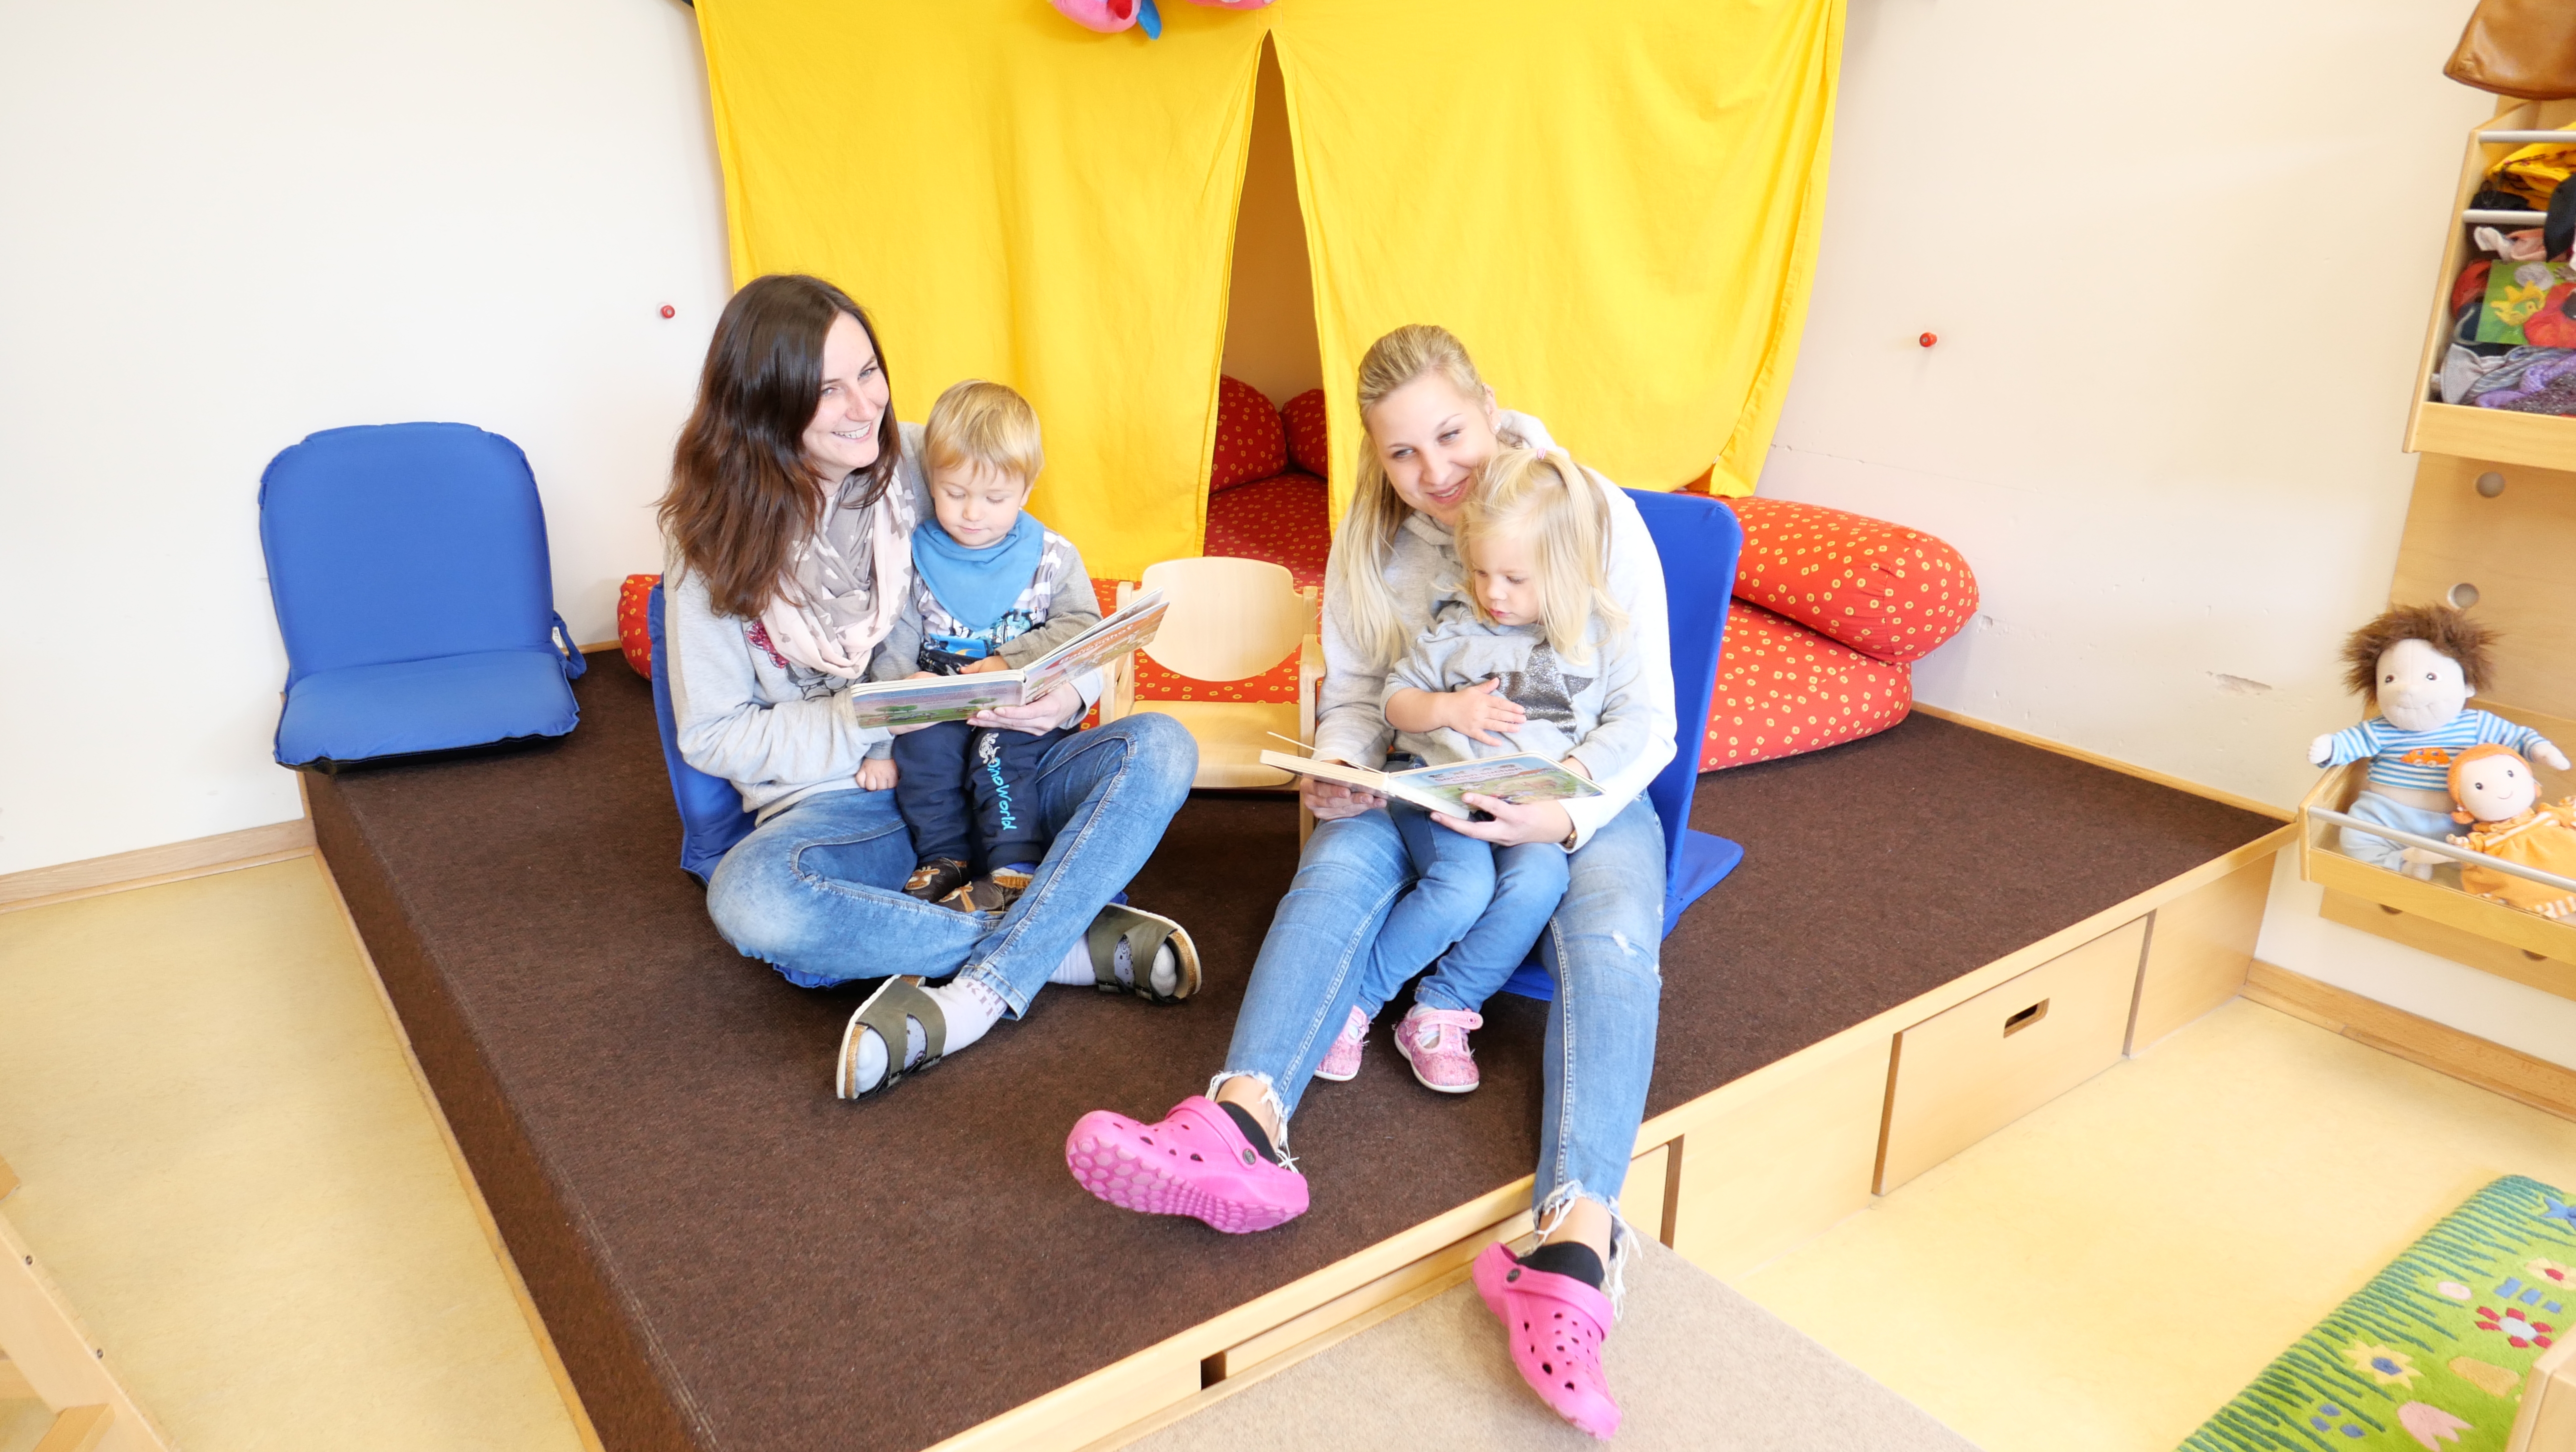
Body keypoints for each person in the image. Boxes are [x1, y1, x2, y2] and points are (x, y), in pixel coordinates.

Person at [1065, 325, 1676, 1440]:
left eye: (1447, 435)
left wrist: (1567, 810)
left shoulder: (1586, 510)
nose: (1432, 472)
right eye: (1400, 455)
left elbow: (1648, 717)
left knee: (1614, 934)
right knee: (1340, 865)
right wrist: (1344, 768)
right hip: (1426, 774)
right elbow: (1355, 692)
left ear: (1488, 409)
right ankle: (1238, 1123)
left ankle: (1576, 1246)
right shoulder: (1375, 537)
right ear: (1373, 461)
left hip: (1579, 784)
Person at [658, 274, 1201, 1104]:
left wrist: (1064, 693)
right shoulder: (710, 546)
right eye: (826, 390)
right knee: (753, 898)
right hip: (849, 802)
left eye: (868, 371)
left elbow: (1058, 595)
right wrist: (861, 720)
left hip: (999, 763)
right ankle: (1057, 936)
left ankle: (976, 978)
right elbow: (714, 735)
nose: (862, 406)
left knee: (1161, 745)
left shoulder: (916, 460)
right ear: (765, 406)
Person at [1310, 445, 1654, 1096]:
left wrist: (1575, 772)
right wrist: (1447, 708)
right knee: (1462, 891)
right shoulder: (1455, 628)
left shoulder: (1601, 636)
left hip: (1527, 810)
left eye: (1516, 579)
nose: (1494, 593)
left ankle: (1441, 1009)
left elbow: (1633, 721)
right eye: (1482, 572)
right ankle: (1355, 1002)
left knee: (1537, 886)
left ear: (1569, 570)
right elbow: (1394, 700)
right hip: (1442, 795)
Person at [865, 380, 1102, 914]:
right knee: (922, 753)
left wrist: (1007, 663)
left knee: (1001, 757)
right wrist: (885, 738)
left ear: (1027, 486)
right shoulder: (914, 558)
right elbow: (896, 652)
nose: (973, 513)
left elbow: (1084, 626)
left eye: (994, 498)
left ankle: (1013, 866)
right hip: (943, 703)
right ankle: (944, 857)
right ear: (931, 481)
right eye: (954, 493)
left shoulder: (1053, 557)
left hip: (1019, 710)